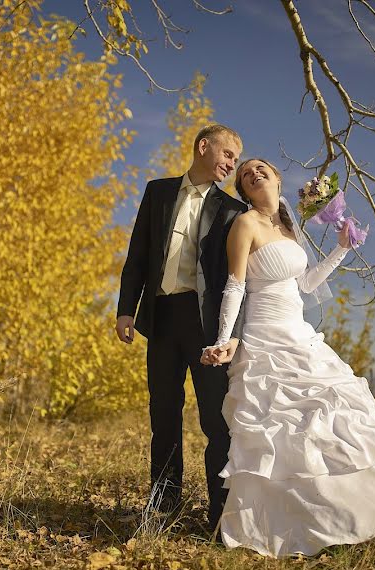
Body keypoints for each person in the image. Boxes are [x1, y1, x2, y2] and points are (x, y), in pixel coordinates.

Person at [201, 158, 375, 557]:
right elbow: (235, 287)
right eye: (244, 173)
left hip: (300, 334)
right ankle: (281, 529)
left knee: (335, 418)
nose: (252, 172)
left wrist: (341, 248)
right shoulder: (244, 224)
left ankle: (354, 519)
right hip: (265, 337)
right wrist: (224, 340)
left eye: (259, 167)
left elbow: (304, 283)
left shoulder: (288, 225)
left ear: (277, 178)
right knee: (280, 432)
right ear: (243, 189)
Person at [115, 124, 248, 531]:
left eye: (235, 161)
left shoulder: (232, 211)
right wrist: (126, 309)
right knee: (164, 413)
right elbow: (138, 253)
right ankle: (163, 504)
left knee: (215, 419)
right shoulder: (157, 192)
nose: (230, 165)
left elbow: (237, 281)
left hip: (207, 326)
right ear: (203, 147)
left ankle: (220, 511)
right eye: (227, 155)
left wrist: (233, 333)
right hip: (161, 318)